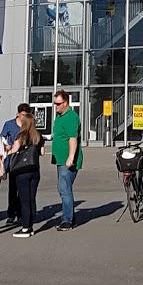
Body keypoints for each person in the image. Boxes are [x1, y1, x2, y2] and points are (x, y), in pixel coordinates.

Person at [7, 113, 44, 237]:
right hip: (34, 170)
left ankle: (25, 227)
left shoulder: (21, 136)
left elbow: (14, 150)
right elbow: (42, 153)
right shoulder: (38, 136)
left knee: (24, 200)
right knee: (31, 198)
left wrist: (6, 151)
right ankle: (31, 225)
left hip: (22, 171)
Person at [52, 89, 82, 231]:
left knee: (64, 189)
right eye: (55, 103)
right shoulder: (59, 116)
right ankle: (71, 217)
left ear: (65, 103)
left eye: (58, 103)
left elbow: (72, 139)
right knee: (62, 188)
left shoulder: (71, 117)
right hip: (60, 159)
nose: (56, 106)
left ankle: (67, 220)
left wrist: (71, 157)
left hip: (67, 160)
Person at [1, 103, 32, 225]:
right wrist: (6, 145)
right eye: (22, 115)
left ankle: (21, 214)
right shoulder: (9, 124)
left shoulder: (29, 124)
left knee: (23, 189)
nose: (24, 117)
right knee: (13, 188)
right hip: (12, 159)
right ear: (18, 113)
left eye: (26, 115)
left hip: (25, 159)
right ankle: (11, 214)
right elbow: (2, 137)